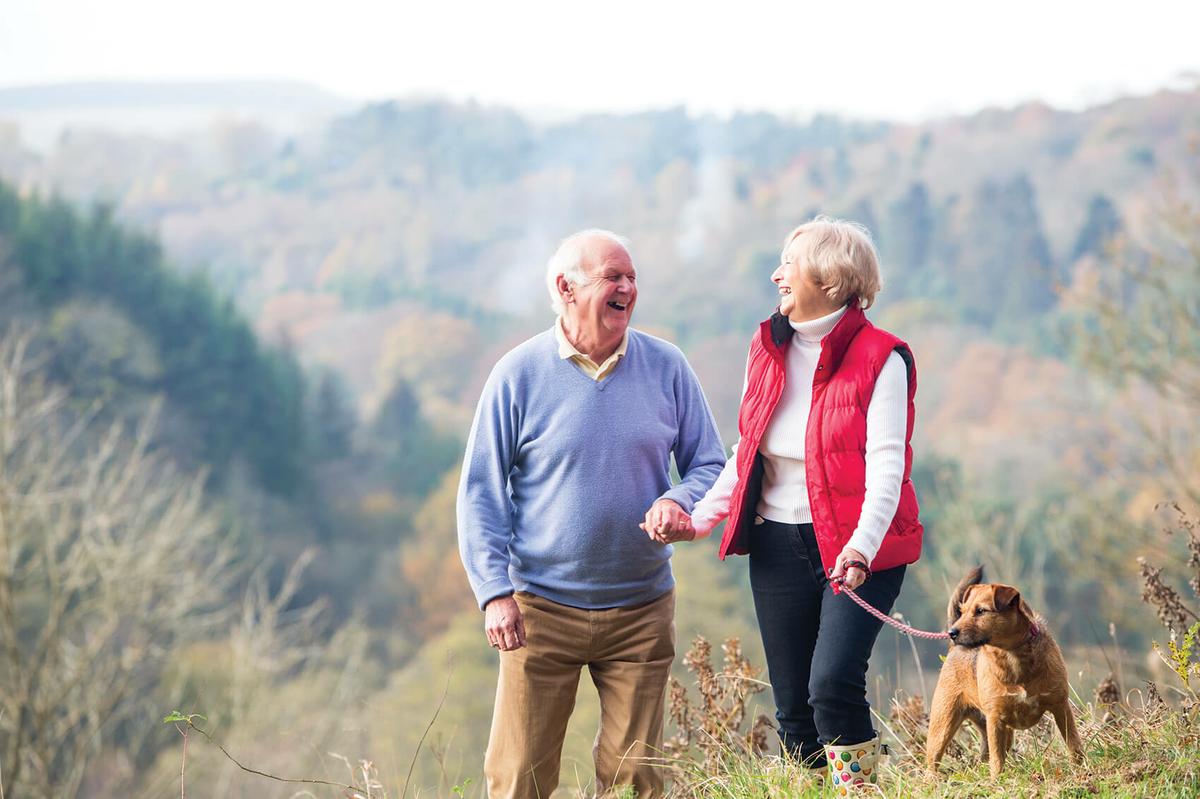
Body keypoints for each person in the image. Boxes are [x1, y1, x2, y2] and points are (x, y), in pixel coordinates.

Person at [456, 229, 725, 799]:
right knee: (518, 780)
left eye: (631, 277)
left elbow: (710, 464)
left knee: (635, 782)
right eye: (613, 277)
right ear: (565, 287)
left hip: (642, 607)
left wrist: (678, 501)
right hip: (538, 611)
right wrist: (494, 592)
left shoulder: (667, 366)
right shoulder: (517, 374)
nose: (628, 286)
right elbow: (481, 492)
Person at [668, 216, 922, 788]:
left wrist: (859, 549)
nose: (776, 273)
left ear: (830, 279)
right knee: (794, 709)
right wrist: (700, 518)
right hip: (777, 545)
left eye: (791, 262)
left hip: (861, 547)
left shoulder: (884, 357)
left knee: (831, 685)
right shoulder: (766, 349)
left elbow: (887, 466)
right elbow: (747, 450)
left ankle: (857, 788)